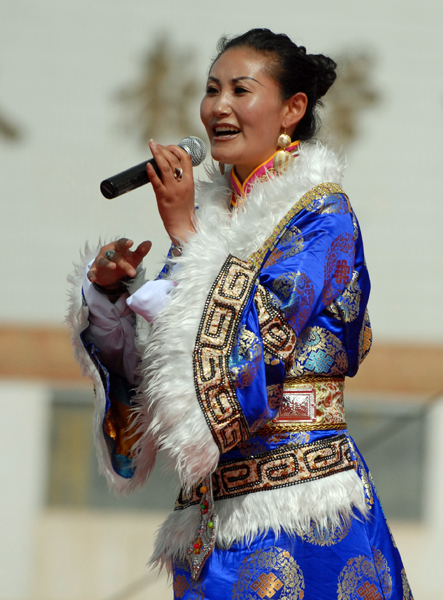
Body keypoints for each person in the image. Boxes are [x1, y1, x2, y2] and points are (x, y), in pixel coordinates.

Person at [68, 28, 413, 600]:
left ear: (292, 109)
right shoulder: (215, 217)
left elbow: (247, 349)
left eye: (240, 90)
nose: (218, 107)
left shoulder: (321, 216)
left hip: (303, 508)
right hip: (212, 520)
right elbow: (169, 377)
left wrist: (186, 235)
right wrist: (110, 300)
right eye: (211, 89)